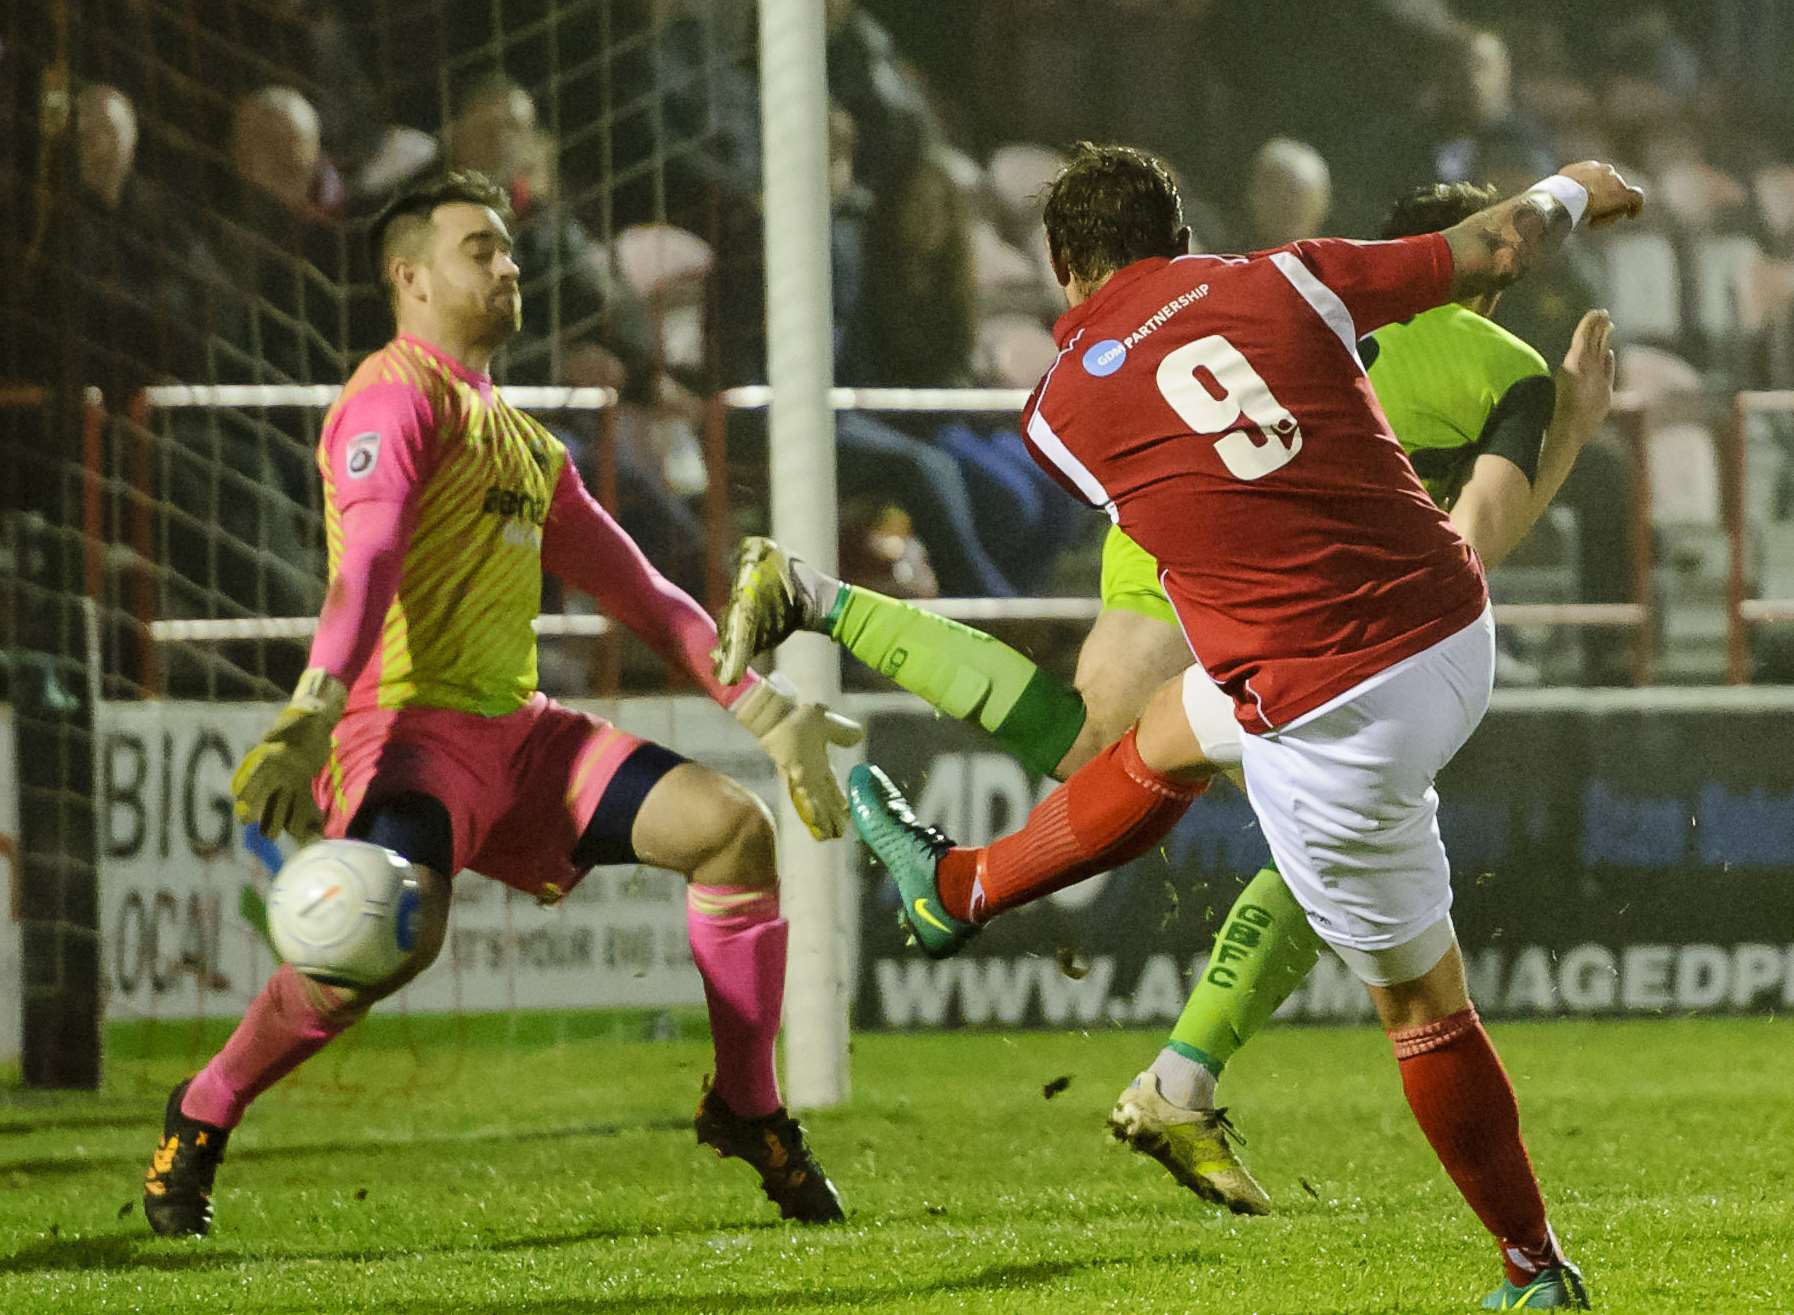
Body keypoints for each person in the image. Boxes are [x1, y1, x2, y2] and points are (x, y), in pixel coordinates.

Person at [713, 179, 1615, 1209]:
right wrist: (1573, 427)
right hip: (1312, 602)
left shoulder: (1271, 286)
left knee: (1175, 760)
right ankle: (820, 606)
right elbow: (1473, 546)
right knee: (1179, 774)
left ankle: (1141, 1049)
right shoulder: (1495, 361)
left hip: (1184, 526)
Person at [140, 171, 863, 1238]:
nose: (508, 264)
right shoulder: (394, 397)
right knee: (390, 939)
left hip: (524, 741)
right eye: (481, 248)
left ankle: (746, 1108)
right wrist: (311, 707)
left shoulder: (523, 443)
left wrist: (761, 706)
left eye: (509, 248)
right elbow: (371, 556)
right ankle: (201, 1112)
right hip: (406, 731)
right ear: (411, 276)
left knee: (732, 831)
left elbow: (646, 596)